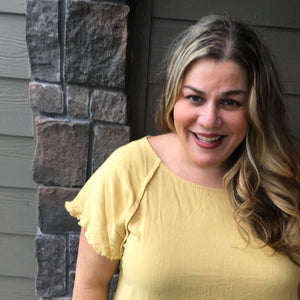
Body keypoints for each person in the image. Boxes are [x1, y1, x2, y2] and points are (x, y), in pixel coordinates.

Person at [65, 15, 300, 299]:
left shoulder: (286, 181)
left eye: (230, 102)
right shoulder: (129, 171)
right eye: (195, 98)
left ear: (255, 108)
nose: (210, 119)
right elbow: (90, 286)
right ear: (173, 98)